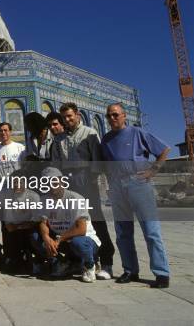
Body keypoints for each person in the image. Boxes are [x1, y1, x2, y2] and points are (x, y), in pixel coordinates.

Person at [101, 103, 171, 288]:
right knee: (123, 232)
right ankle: (130, 270)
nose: (112, 118)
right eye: (109, 116)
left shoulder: (137, 133)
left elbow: (164, 150)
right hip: (118, 187)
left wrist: (152, 171)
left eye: (115, 115)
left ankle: (161, 273)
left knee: (151, 231)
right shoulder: (106, 139)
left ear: (124, 116)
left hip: (138, 184)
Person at [50, 102, 115, 280]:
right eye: (64, 117)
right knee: (71, 222)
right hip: (68, 183)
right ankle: (78, 261)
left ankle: (106, 262)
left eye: (70, 116)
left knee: (96, 221)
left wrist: (93, 181)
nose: (67, 120)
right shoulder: (59, 139)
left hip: (86, 180)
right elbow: (56, 165)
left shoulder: (89, 133)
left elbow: (96, 159)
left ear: (77, 114)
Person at [31, 167, 101, 283]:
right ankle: (61, 263)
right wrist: (46, 238)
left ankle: (89, 265)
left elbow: (81, 229)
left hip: (84, 239)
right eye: (47, 182)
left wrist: (59, 240)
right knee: (35, 236)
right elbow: (43, 222)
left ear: (62, 181)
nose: (51, 185)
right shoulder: (43, 200)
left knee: (77, 242)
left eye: (54, 181)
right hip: (62, 240)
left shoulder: (75, 198)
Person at [0, 169, 40, 274]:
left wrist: (18, 227)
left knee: (34, 236)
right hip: (9, 228)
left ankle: (36, 259)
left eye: (20, 182)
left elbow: (36, 221)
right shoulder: (4, 193)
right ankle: (8, 257)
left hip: (27, 228)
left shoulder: (34, 196)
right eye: (14, 182)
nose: (17, 185)